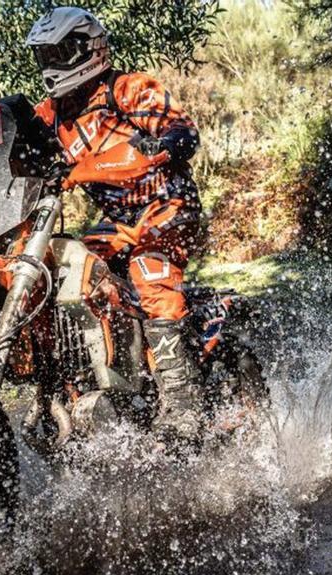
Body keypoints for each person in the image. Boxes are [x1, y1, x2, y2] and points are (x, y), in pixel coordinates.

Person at [27, 7, 205, 441]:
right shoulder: (52, 113)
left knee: (149, 276)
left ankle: (184, 407)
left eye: (62, 51)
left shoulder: (128, 88)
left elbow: (183, 133)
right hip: (116, 222)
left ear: (90, 47)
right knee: (67, 275)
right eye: (45, 54)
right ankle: (77, 387)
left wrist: (159, 144)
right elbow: (21, 141)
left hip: (167, 209)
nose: (53, 62)